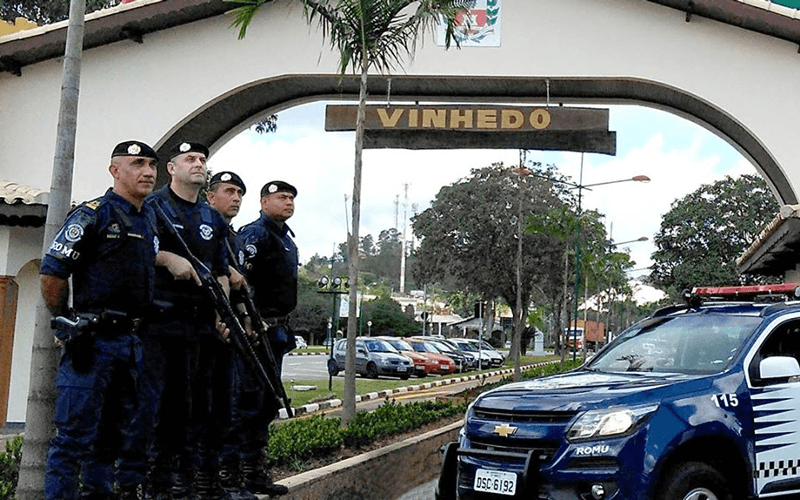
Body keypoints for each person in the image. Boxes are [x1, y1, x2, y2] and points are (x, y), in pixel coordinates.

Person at [40, 140, 160, 500]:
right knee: (73, 439)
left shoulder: (149, 217)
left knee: (112, 438)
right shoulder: (94, 213)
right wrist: (66, 322)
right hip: (93, 342)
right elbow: (52, 273)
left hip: (130, 344)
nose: (148, 171)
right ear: (115, 170)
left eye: (152, 165)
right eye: (138, 163)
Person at [144, 142, 231, 500]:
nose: (198, 164)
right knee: (157, 408)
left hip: (200, 329)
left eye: (202, 160)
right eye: (190, 159)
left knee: (193, 408)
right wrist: (167, 258)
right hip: (160, 325)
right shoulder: (155, 206)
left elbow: (222, 272)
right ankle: (153, 483)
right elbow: (137, 250)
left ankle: (183, 480)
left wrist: (222, 312)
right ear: (172, 168)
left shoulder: (211, 217)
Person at [237, 181, 300, 496]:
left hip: (276, 332)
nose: (288, 202)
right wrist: (247, 318)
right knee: (247, 402)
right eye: (281, 197)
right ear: (264, 202)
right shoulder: (255, 235)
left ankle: (254, 472)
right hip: (254, 330)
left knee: (265, 404)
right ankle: (233, 476)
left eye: (291, 198)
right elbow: (240, 278)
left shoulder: (285, 238)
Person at [206, 171, 259, 500]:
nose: (236, 197)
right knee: (207, 411)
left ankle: (225, 479)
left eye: (240, 192)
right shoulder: (206, 231)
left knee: (232, 408)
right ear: (211, 196)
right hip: (205, 331)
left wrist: (247, 319)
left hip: (234, 332)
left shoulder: (234, 237)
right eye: (228, 191)